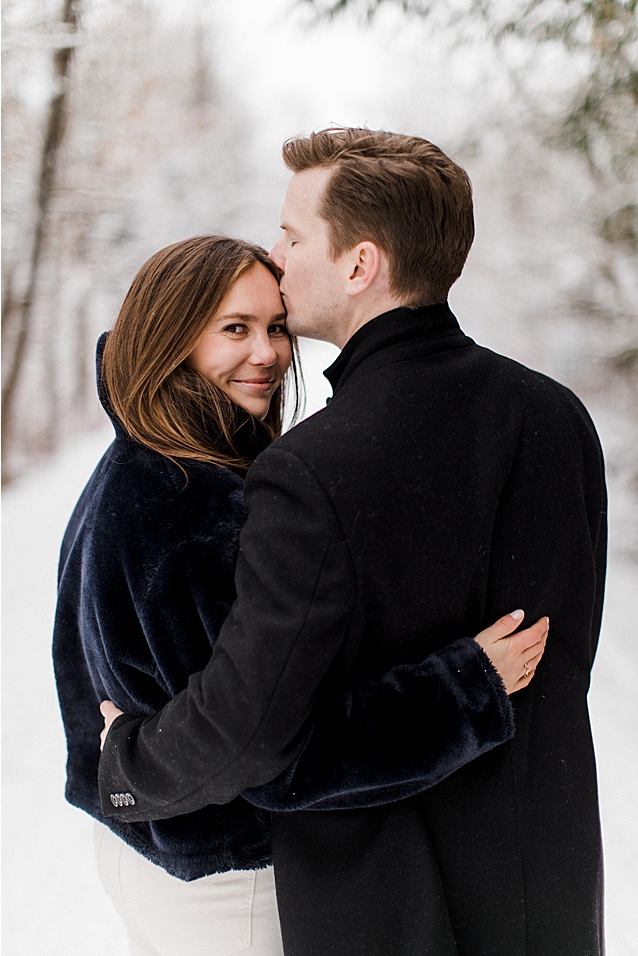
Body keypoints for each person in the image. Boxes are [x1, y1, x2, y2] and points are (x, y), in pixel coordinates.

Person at [98, 130, 607, 955]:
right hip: (543, 891)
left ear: (360, 264)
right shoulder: (557, 418)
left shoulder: (309, 470)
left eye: (294, 235)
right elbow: (564, 661)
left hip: (388, 911)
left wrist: (127, 764)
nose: (278, 251)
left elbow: (259, 734)